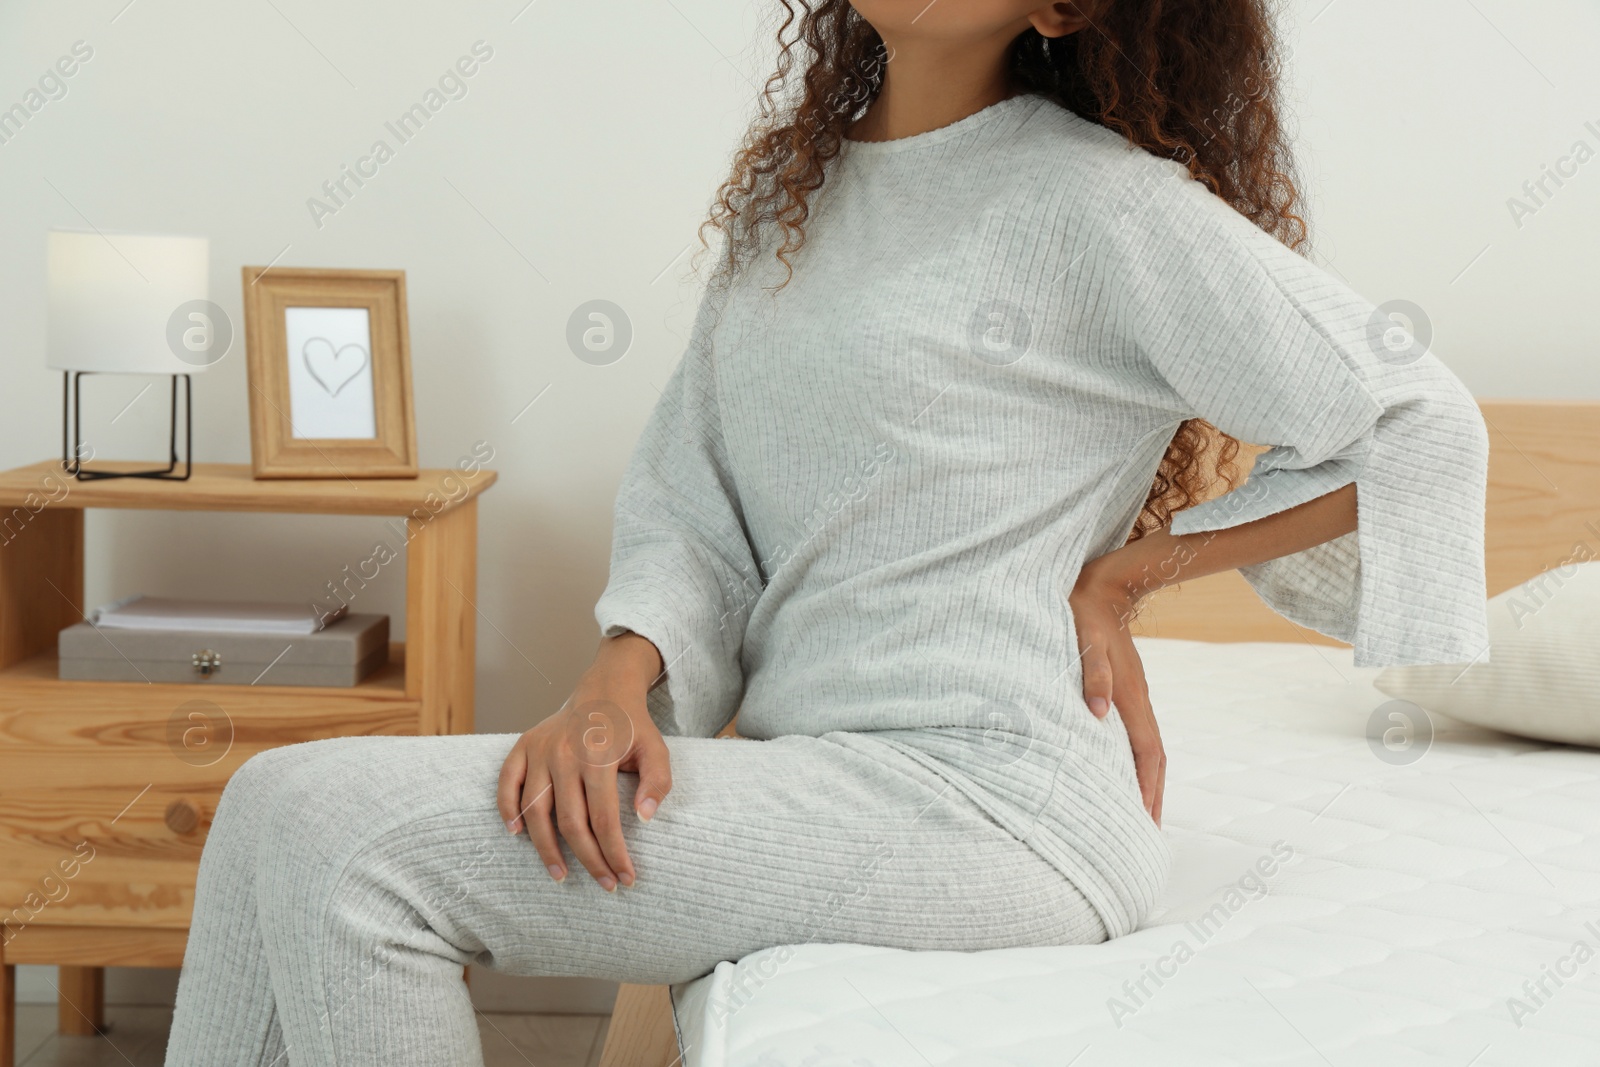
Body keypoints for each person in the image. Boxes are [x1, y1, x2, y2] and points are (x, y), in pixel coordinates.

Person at [165, 1, 1488, 1063]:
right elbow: (696, 504)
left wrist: (1134, 578)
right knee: (270, 808)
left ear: (1066, 11)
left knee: (337, 836)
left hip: (996, 801)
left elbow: (1417, 417)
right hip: (842, 774)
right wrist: (611, 683)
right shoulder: (783, 209)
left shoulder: (1104, 207)